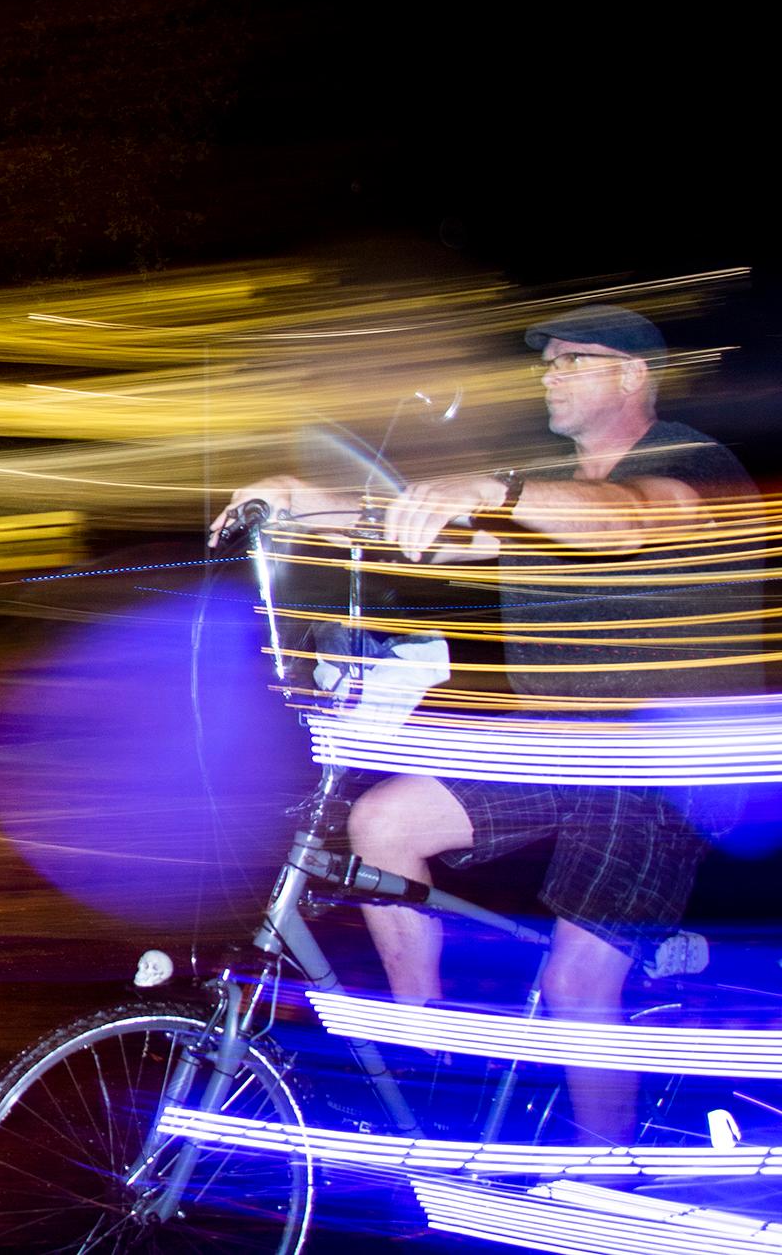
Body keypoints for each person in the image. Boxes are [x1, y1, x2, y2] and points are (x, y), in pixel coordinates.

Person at [213, 305, 760, 1143]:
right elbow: (418, 537)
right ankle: (436, 1050)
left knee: (579, 981)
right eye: (547, 362)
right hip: (555, 751)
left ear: (630, 376)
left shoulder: (690, 461)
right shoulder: (543, 493)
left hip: (661, 767)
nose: (549, 373)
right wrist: (301, 499)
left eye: (573, 360)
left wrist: (498, 488)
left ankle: (605, 1177)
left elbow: (632, 519)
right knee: (381, 822)